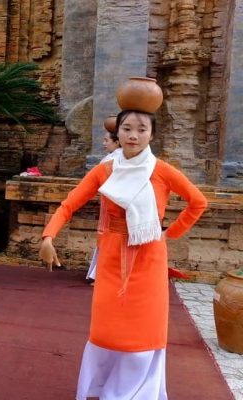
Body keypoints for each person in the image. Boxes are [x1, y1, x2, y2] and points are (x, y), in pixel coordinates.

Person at [38, 109, 207, 399]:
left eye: (142, 129)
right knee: (106, 331)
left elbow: (198, 202)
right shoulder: (105, 169)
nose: (133, 135)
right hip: (112, 255)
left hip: (149, 257)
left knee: (143, 333)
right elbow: (69, 204)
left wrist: (170, 233)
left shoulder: (162, 170)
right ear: (118, 133)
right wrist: (48, 236)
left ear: (152, 134)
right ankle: (104, 388)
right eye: (127, 128)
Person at [86, 125, 122, 283]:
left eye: (107, 140)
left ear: (117, 142)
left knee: (110, 238)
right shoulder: (115, 157)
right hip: (112, 202)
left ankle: (102, 273)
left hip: (116, 204)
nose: (104, 143)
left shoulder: (113, 159)